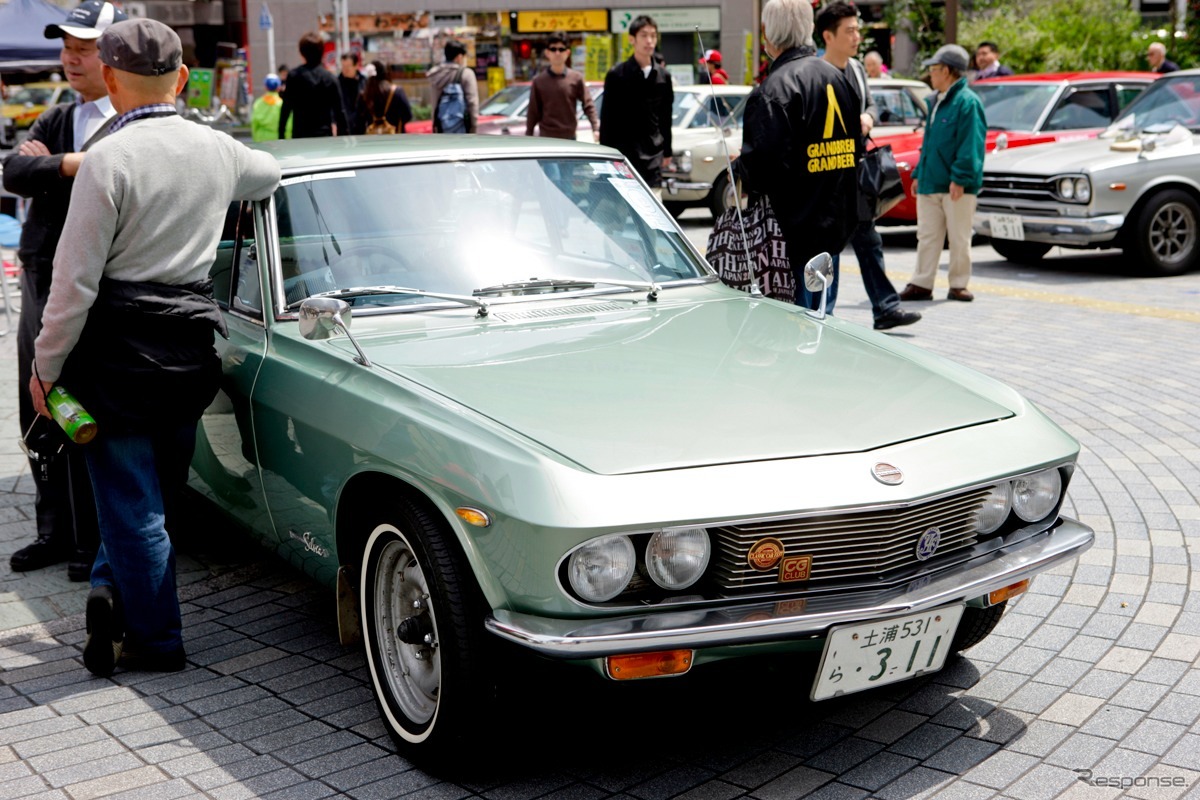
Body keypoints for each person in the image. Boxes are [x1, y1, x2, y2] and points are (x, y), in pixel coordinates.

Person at [30, 17, 280, 676]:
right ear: (181, 79)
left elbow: (73, 285)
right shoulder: (218, 149)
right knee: (152, 496)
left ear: (110, 78)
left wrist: (43, 368)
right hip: (189, 352)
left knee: (132, 502)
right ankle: (113, 592)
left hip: (114, 359)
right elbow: (272, 173)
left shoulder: (109, 159)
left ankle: (156, 642)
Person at [0, 0, 128, 581]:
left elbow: (102, 177)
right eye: (66, 46)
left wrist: (53, 165)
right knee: (36, 399)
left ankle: (88, 537)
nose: (69, 57)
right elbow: (13, 172)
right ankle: (52, 529)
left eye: (83, 47)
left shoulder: (130, 119)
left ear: (114, 55)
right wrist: (73, 163)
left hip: (95, 283)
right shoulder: (60, 115)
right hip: (38, 274)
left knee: (79, 402)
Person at [735, 0, 861, 311]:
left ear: (769, 36)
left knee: (796, 329)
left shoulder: (773, 90)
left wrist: (740, 167)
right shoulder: (837, 78)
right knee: (823, 318)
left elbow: (763, 170)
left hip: (792, 237)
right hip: (832, 227)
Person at [817, 2, 920, 330]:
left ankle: (885, 308)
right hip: (829, 177)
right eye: (849, 31)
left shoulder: (859, 70)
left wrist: (868, 117)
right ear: (828, 36)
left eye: (857, 30)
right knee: (828, 250)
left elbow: (873, 104)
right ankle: (824, 315)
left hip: (857, 174)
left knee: (869, 241)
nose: (857, 37)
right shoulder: (816, 73)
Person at [899, 44, 986, 303]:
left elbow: (971, 144)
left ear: (948, 71)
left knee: (959, 237)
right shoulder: (937, 100)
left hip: (955, 185)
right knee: (926, 235)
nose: (931, 75)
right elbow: (929, 143)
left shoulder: (968, 102)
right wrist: (918, 173)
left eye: (934, 69)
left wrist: (960, 178)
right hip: (931, 181)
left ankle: (958, 284)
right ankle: (921, 283)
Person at [600, 15, 674, 194]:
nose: (649, 41)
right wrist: (605, 155)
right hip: (623, 156)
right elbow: (607, 119)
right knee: (619, 215)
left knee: (653, 214)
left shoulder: (663, 76)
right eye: (644, 35)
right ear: (632, 39)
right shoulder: (617, 75)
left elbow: (665, 117)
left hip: (653, 155)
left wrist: (667, 151)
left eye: (653, 36)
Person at [526, 31, 599, 141]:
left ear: (567, 53)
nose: (557, 53)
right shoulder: (539, 81)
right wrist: (529, 135)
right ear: (547, 53)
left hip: (570, 138)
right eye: (553, 49)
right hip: (546, 139)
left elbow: (588, 105)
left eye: (561, 49)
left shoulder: (576, 78)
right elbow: (533, 112)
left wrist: (595, 128)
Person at [278, 32, 346, 138]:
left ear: (301, 52)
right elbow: (340, 112)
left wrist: (281, 135)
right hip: (324, 138)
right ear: (322, 52)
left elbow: (286, 108)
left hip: (300, 138)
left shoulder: (294, 76)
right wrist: (344, 139)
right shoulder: (330, 78)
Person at [429, 40, 479, 133]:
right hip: (462, 127)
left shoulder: (435, 74)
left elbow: (434, 102)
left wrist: (435, 124)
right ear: (459, 57)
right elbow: (472, 103)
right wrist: (474, 127)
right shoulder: (466, 74)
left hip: (441, 125)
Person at [355, 61, 413, 134]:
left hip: (371, 141)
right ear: (386, 73)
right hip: (396, 139)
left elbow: (358, 122)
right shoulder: (397, 92)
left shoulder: (364, 95)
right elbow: (408, 115)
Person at [251, 73, 291, 141]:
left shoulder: (258, 103)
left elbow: (254, 124)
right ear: (278, 87)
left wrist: (255, 138)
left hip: (261, 138)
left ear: (265, 87)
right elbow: (289, 126)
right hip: (278, 139)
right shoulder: (282, 104)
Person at [337, 51, 365, 133]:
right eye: (343, 66)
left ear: (356, 66)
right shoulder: (336, 83)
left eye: (348, 66)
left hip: (362, 129)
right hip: (342, 129)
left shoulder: (364, 82)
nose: (345, 70)